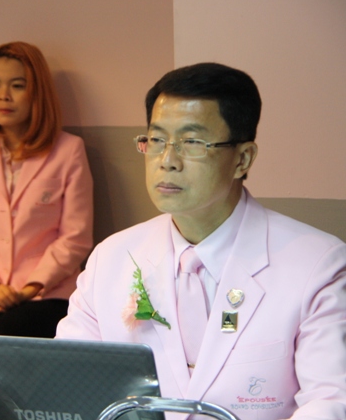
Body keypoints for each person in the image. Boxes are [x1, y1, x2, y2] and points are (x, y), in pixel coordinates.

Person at [56, 63, 346, 419]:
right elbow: (68, 387)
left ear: (242, 159)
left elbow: (331, 401)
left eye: (192, 142)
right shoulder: (112, 258)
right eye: (157, 140)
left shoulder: (317, 265)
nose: (167, 161)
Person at [0, 41, 93, 337]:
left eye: (17, 85)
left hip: (48, 291)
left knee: (1, 335)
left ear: (37, 93)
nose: (4, 95)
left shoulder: (68, 151)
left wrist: (29, 287)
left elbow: (75, 238)